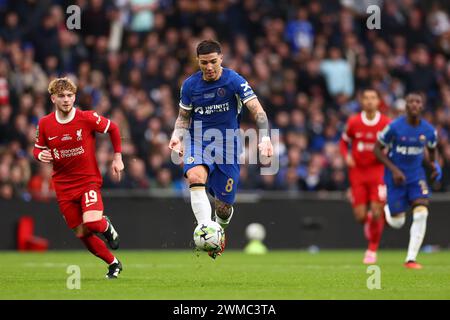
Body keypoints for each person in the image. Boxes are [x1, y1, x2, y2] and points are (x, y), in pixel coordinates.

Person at [168, 40, 273, 258]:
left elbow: (257, 110)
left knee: (223, 207)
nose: (209, 67)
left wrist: (265, 137)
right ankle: (206, 230)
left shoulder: (234, 80)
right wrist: (176, 137)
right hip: (198, 141)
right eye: (204, 63)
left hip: (228, 146)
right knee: (195, 176)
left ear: (221, 59)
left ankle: (218, 228)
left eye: (213, 62)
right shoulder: (189, 85)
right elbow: (183, 117)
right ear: (198, 61)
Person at [33, 77, 124, 278]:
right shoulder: (45, 123)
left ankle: (106, 225)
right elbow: (37, 149)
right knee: (82, 233)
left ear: (74, 97)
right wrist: (40, 155)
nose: (66, 100)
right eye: (61, 96)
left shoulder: (86, 118)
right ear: (53, 99)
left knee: (92, 223)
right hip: (63, 186)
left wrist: (117, 157)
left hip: (87, 181)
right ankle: (113, 263)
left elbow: (114, 128)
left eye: (70, 95)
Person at [374, 92, 441, 269]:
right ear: (406, 106)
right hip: (395, 178)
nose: (413, 104)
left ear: (422, 106)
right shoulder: (394, 127)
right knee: (398, 222)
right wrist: (394, 170)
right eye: (410, 101)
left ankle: (410, 259)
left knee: (421, 212)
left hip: (416, 177)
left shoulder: (428, 130)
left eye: (417, 102)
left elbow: (432, 148)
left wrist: (434, 165)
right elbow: (377, 149)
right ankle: (386, 209)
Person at [340, 88, 390, 264]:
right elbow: (344, 142)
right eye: (366, 98)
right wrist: (346, 156)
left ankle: (372, 250)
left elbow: (392, 145)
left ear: (378, 101)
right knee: (360, 216)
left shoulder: (385, 123)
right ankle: (368, 221)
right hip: (358, 173)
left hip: (378, 172)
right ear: (362, 101)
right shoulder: (354, 122)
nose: (369, 101)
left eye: (373, 98)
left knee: (377, 211)